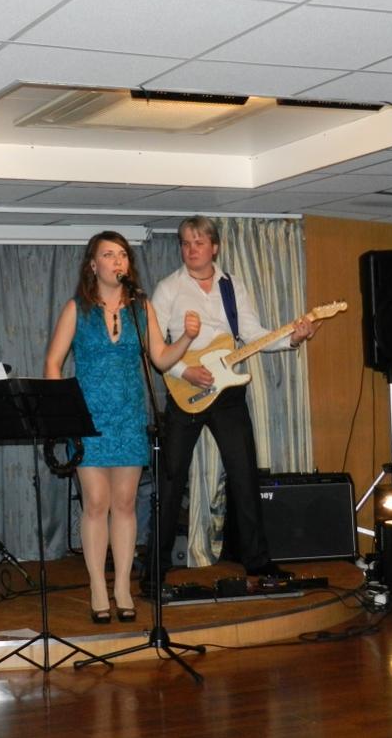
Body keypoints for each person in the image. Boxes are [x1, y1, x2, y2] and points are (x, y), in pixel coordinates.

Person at [144, 216, 319, 592]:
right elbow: (154, 345)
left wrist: (293, 338)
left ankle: (257, 561)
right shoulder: (168, 288)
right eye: (185, 243)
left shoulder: (232, 285)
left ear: (215, 247)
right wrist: (185, 371)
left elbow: (253, 335)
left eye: (198, 243)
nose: (191, 249)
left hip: (227, 394)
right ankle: (155, 569)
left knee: (244, 475)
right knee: (171, 479)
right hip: (184, 388)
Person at [45, 230, 200, 624]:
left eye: (122, 255)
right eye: (108, 254)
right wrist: (63, 414)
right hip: (88, 419)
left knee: (126, 504)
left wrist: (187, 337)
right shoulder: (76, 309)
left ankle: (123, 588)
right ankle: (98, 586)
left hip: (129, 417)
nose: (117, 261)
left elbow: (160, 359)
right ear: (93, 265)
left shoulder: (140, 308)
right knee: (96, 503)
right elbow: (53, 364)